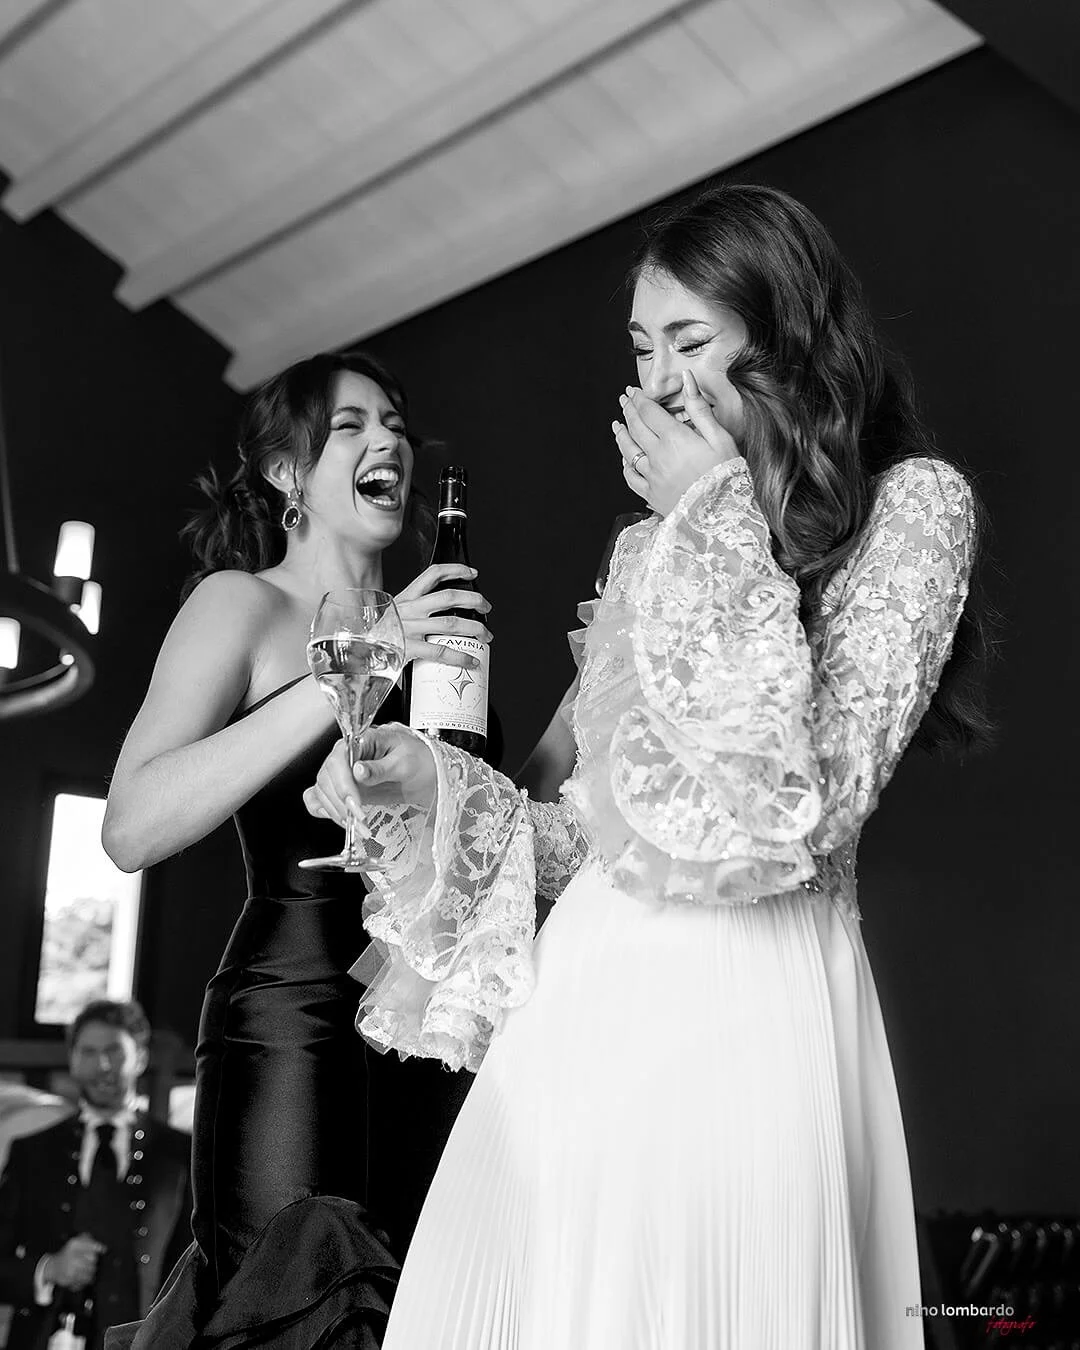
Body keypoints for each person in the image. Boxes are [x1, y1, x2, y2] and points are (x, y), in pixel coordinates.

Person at [307, 183, 991, 1349]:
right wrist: (432, 790)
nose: (659, 381)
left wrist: (713, 511)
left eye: (690, 340)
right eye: (641, 348)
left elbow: (800, 811)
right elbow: (589, 832)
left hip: (753, 1004)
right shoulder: (650, 547)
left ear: (786, 336)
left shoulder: (914, 510)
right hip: (586, 1011)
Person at [99, 351, 492, 1348]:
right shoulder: (244, 605)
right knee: (296, 1309)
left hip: (424, 1029)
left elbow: (486, 830)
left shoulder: (436, 637)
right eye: (352, 425)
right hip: (290, 1020)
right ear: (285, 474)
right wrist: (364, 657)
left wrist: (594, 693)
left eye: (396, 423)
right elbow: (132, 824)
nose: (388, 440)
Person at [0, 1000, 192, 1350]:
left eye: (115, 1051)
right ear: (72, 1059)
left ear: (141, 1058)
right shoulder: (31, 1151)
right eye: (88, 1052)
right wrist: (47, 1269)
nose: (102, 1065)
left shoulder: (181, 1155)